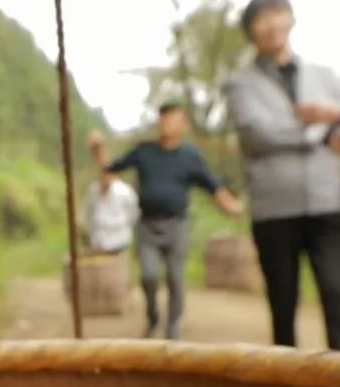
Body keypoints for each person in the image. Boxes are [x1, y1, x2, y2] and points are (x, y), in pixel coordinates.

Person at [225, 0, 340, 352]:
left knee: (338, 296)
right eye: (262, 17)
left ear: (290, 18)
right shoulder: (240, 84)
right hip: (274, 212)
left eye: (278, 12)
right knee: (283, 303)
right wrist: (324, 133)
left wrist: (335, 114)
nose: (272, 23)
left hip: (328, 205)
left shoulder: (325, 76)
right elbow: (258, 134)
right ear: (250, 30)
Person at [89, 104, 244, 339]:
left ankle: (173, 327)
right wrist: (98, 147)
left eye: (173, 119)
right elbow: (110, 168)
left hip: (177, 225)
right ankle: (152, 318)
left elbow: (213, 187)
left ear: (183, 125)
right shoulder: (144, 151)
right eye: (163, 119)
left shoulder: (191, 156)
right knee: (149, 275)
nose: (167, 123)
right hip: (147, 225)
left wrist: (232, 206)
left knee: (175, 276)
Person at [80, 168, 139, 255]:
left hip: (119, 239)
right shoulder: (93, 190)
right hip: (97, 240)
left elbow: (133, 213)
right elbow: (87, 212)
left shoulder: (124, 191)